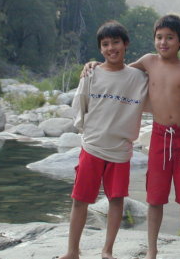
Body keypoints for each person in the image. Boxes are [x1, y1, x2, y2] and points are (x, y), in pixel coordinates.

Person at [83, 14, 180, 259]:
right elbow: (119, 69)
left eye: (170, 38)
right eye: (159, 37)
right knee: (155, 197)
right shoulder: (148, 62)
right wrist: (93, 64)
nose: (164, 42)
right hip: (159, 137)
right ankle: (152, 250)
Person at [58, 20, 149, 259]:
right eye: (105, 44)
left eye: (116, 42)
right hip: (92, 147)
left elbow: (160, 68)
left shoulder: (138, 78)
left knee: (116, 200)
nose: (111, 48)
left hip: (120, 150)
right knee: (80, 200)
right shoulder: (91, 74)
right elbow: (80, 105)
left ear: (126, 44)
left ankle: (107, 250)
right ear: (100, 49)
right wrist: (84, 131)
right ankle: (72, 251)